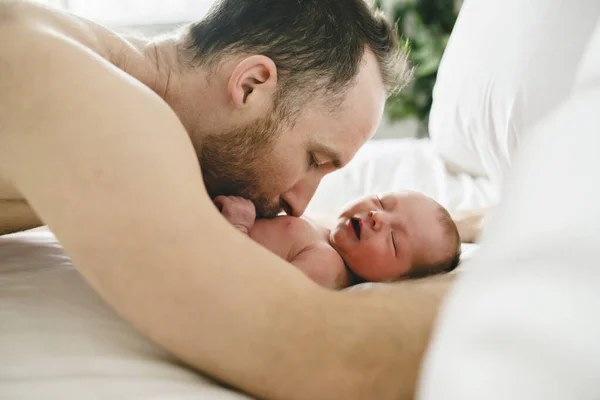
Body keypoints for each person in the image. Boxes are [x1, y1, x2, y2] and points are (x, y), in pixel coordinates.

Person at [0, 1, 453, 399]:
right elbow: (314, 352)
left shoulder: (104, 80)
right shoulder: (97, 103)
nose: (299, 204)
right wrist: (510, 283)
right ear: (252, 84)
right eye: (314, 159)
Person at [215, 191, 461, 289]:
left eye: (394, 238)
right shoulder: (324, 234)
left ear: (396, 279)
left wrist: (238, 227)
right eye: (381, 202)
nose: (377, 216)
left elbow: (254, 291)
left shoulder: (326, 265)